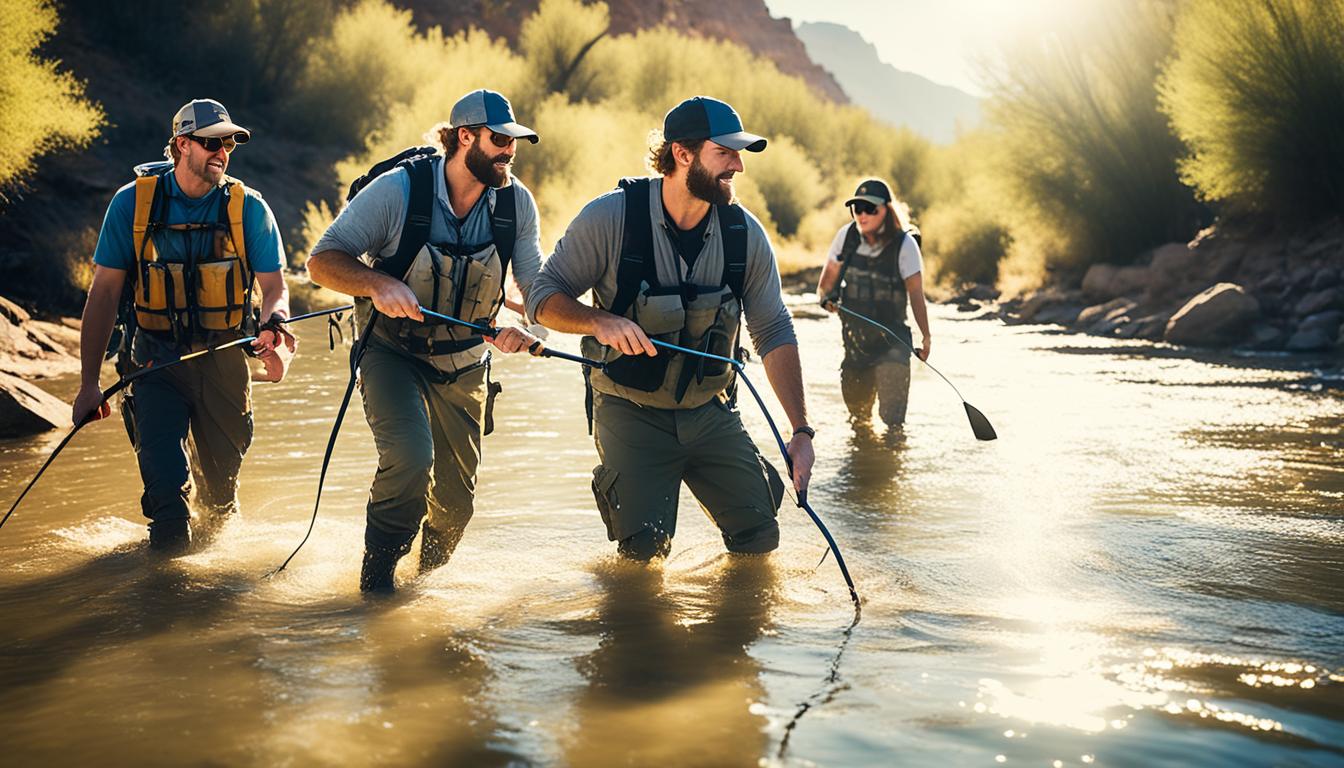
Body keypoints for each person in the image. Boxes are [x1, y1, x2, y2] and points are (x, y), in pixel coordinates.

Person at [527, 95, 813, 561]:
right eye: (725, 153)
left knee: (760, 538)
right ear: (682, 154)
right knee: (643, 557)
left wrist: (801, 431)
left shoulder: (746, 235)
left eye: (739, 155)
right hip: (629, 410)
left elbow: (774, 330)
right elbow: (542, 299)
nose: (738, 166)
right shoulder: (609, 218)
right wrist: (598, 320)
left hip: (710, 411)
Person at [306, 89, 544, 592]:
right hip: (390, 353)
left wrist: (528, 328)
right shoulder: (398, 191)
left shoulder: (515, 203)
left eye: (514, 142)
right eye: (499, 140)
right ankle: (377, 587)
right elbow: (322, 260)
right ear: (465, 137)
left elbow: (536, 289)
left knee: (457, 505)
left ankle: (424, 591)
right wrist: (378, 283)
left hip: (465, 363)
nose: (509, 151)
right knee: (412, 461)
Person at [72, 98, 293, 553]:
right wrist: (88, 384)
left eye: (228, 142)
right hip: (153, 362)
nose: (222, 151)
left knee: (220, 498)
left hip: (225, 362)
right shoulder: (130, 204)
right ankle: (165, 592)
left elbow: (275, 287)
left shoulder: (248, 207)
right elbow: (104, 295)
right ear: (181, 145)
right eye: (211, 142)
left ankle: (210, 604)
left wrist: (276, 328)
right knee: (167, 501)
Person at [818, 178, 930, 430]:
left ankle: (894, 467)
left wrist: (926, 338)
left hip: (894, 344)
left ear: (886, 211)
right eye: (857, 209)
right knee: (859, 422)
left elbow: (916, 295)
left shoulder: (906, 245)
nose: (862, 215)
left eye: (870, 209)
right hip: (855, 345)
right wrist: (827, 300)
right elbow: (824, 286)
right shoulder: (845, 237)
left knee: (893, 424)